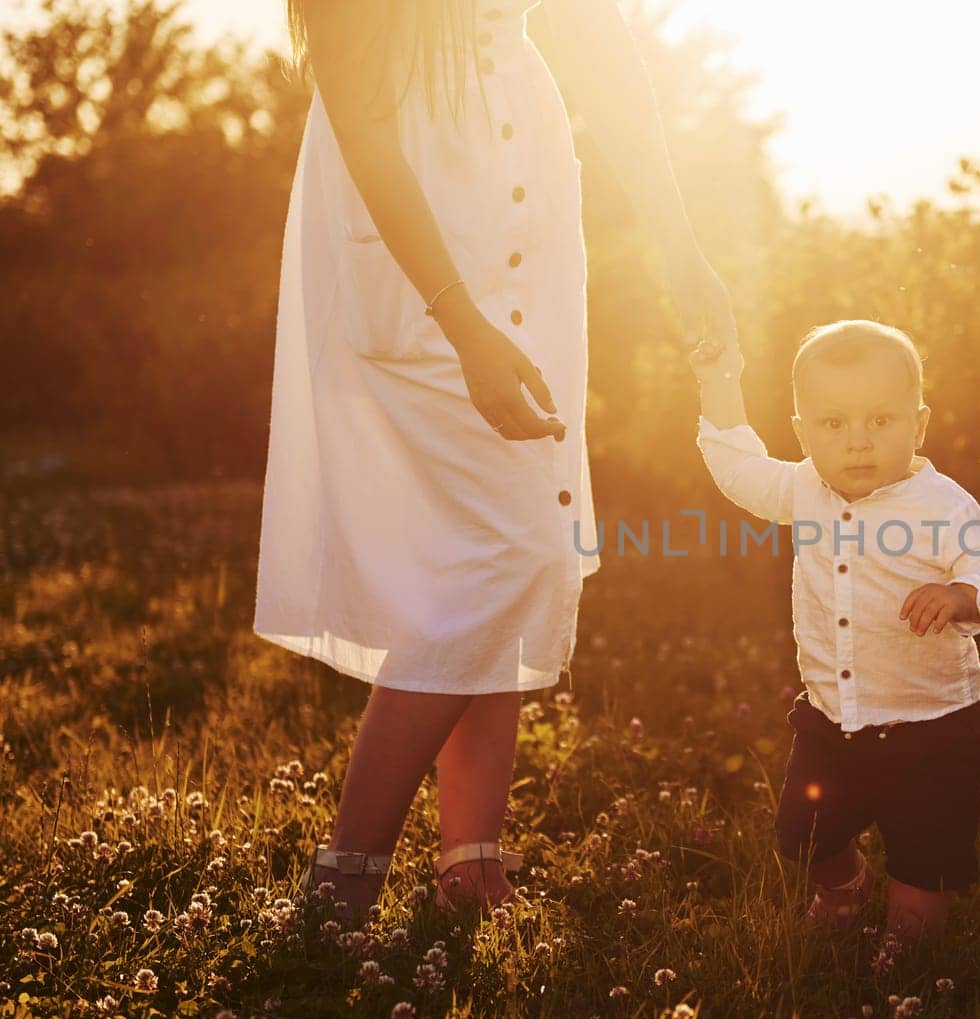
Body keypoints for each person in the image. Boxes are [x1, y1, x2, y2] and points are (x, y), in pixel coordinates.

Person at [255, 0, 737, 920]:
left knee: (512, 538)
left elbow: (603, 53)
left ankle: (470, 862)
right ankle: (345, 877)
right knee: (509, 552)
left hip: (526, 193)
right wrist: (462, 319)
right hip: (409, 219)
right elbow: (358, 114)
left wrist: (680, 243)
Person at [690, 321, 980, 939]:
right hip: (833, 721)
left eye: (880, 421)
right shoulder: (802, 488)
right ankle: (845, 887)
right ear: (803, 432)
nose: (857, 443)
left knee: (921, 890)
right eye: (833, 424)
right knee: (803, 835)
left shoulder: (941, 504)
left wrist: (961, 593)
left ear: (918, 425)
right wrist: (717, 380)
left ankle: (906, 959)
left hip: (933, 729)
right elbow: (738, 468)